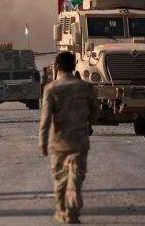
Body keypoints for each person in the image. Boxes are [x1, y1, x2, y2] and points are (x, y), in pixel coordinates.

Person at [39, 51, 100, 224]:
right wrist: (89, 122)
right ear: (74, 66)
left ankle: (61, 211)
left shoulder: (51, 89)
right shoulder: (85, 87)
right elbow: (95, 112)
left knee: (60, 179)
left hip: (59, 143)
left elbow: (46, 118)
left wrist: (42, 142)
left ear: (57, 67)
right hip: (80, 141)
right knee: (76, 176)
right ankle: (72, 211)